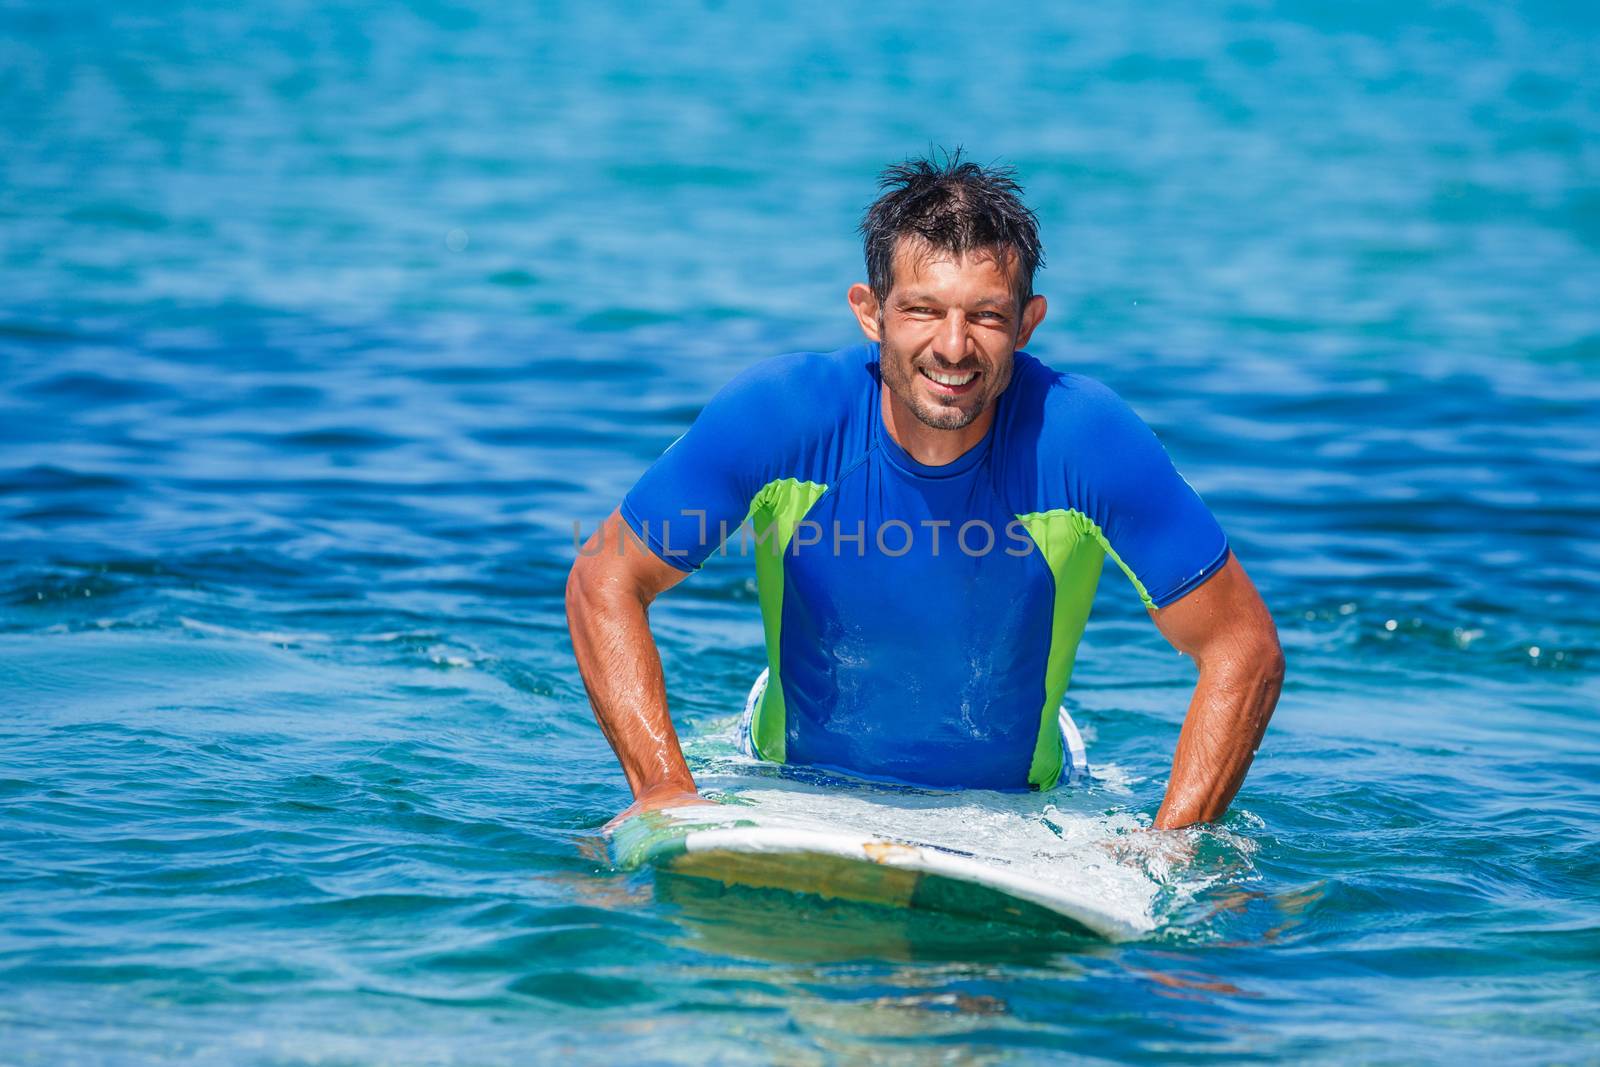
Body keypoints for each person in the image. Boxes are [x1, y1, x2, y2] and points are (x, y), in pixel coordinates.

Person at [567, 153, 1283, 833]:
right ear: (869, 312)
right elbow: (605, 577)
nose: (953, 345)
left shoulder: (1086, 439)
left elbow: (1241, 646)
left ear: (1028, 323)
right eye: (922, 310)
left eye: (986, 315)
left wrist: (1175, 840)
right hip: (785, 769)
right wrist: (662, 784)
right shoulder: (783, 413)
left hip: (1024, 798)